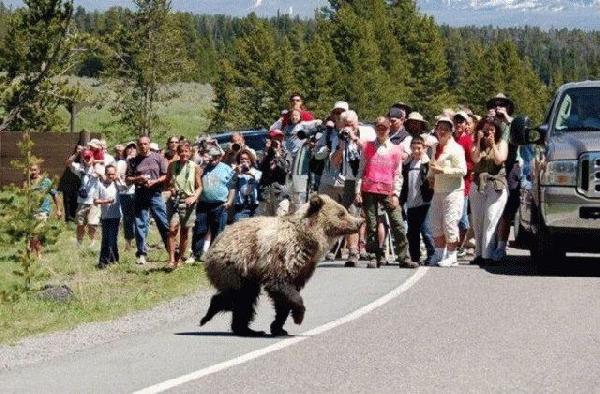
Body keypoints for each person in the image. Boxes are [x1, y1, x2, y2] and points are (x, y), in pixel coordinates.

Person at [355, 116, 416, 269]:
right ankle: (375, 256)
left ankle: (404, 257)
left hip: (388, 190)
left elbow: (398, 174)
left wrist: (396, 193)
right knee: (372, 224)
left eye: (384, 128)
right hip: (369, 189)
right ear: (375, 129)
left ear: (389, 130)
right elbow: (361, 170)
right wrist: (358, 190)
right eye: (378, 128)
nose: (381, 131)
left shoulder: (396, 150)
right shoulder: (368, 147)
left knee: (398, 223)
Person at [428, 116, 467, 267]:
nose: (442, 131)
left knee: (450, 222)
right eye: (440, 128)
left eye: (445, 129)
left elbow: (462, 170)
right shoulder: (435, 147)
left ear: (451, 132)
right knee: (436, 222)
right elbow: (432, 168)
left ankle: (452, 256)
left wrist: (443, 170)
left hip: (453, 191)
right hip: (437, 190)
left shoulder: (456, 149)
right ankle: (439, 254)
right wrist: (430, 177)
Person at [469, 118, 509, 265]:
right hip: (478, 185)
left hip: (496, 185)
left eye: (492, 130)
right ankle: (478, 254)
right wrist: (479, 142)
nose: (489, 133)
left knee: (491, 219)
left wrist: (493, 146)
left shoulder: (501, 143)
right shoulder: (476, 144)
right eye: (486, 130)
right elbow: (475, 158)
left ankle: (488, 254)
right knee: (478, 221)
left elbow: (500, 160)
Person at [126, 136, 170, 265]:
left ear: (149, 144)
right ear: (138, 146)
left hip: (155, 193)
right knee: (140, 223)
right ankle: (141, 253)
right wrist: (138, 178)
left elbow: (166, 175)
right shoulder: (133, 161)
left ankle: (172, 251)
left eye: (145, 144)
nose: (143, 146)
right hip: (140, 193)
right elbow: (127, 179)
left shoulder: (158, 158)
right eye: (140, 144)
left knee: (163, 222)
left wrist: (155, 181)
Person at [191, 145, 235, 261]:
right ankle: (196, 253)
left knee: (218, 230)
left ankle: (213, 255)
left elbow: (232, 187)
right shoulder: (203, 168)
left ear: (220, 157)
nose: (213, 159)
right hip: (203, 203)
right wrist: (203, 165)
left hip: (220, 204)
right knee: (200, 229)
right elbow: (196, 179)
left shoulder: (227, 168)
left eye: (216, 157)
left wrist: (229, 201)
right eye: (211, 157)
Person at [486, 93, 515, 261]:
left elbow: (519, 134)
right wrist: (488, 121)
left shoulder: (512, 122)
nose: (498, 107)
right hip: (490, 167)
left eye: (502, 104)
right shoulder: (488, 122)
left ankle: (501, 246)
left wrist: (505, 118)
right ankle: (487, 245)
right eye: (495, 104)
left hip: (509, 167)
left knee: (506, 210)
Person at [164, 141, 202, 269]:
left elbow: (199, 187)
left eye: (186, 151)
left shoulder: (194, 167)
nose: (183, 154)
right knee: (172, 229)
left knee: (185, 231)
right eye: (181, 151)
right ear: (178, 152)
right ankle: (171, 259)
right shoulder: (172, 165)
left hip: (188, 201)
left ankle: (180, 258)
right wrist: (171, 188)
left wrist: (194, 197)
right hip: (175, 200)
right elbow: (167, 182)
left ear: (190, 153)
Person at [400, 137, 435, 266]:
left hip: (425, 202)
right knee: (412, 232)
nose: (416, 151)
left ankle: (432, 254)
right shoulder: (407, 165)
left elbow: (431, 181)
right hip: (411, 203)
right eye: (414, 148)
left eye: (419, 148)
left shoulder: (427, 164)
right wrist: (401, 201)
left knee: (426, 230)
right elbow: (404, 185)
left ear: (423, 148)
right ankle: (415, 257)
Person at [66, 148, 102, 247]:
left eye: (89, 157)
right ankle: (79, 242)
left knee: (92, 223)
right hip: (82, 200)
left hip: (94, 200)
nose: (87, 159)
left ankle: (93, 242)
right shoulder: (80, 168)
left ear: (92, 157)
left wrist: (97, 170)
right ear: (82, 158)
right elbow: (68, 163)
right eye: (85, 157)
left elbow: (104, 173)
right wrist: (77, 153)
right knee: (80, 223)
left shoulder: (97, 167)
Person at [453, 111, 475, 258]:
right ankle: (454, 245)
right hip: (450, 182)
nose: (459, 124)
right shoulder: (451, 139)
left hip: (464, 182)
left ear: (466, 124)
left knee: (461, 217)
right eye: (457, 121)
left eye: (462, 122)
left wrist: (460, 167)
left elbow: (472, 162)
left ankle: (460, 244)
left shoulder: (467, 140)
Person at [29, 163, 62, 259]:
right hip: (30, 211)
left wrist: (58, 210)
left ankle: (39, 254)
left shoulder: (46, 181)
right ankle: (32, 251)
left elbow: (55, 195)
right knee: (31, 234)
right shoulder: (28, 181)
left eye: (35, 170)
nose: (33, 172)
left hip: (42, 211)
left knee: (36, 233)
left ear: (39, 170)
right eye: (31, 170)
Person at [94, 164, 122, 269]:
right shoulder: (99, 185)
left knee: (112, 238)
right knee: (106, 239)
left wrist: (118, 179)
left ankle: (111, 260)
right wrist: (106, 201)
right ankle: (106, 261)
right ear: (105, 174)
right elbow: (95, 200)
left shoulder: (117, 185)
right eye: (109, 174)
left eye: (113, 174)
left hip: (115, 216)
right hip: (105, 216)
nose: (111, 176)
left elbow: (126, 188)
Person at [258, 129, 290, 217]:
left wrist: (278, 156)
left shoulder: (286, 154)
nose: (277, 142)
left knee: (280, 224)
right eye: (275, 139)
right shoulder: (263, 153)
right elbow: (259, 169)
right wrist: (266, 153)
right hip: (265, 195)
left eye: (280, 139)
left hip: (280, 195)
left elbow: (285, 170)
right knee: (264, 225)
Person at [116, 142, 137, 250]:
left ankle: (140, 243)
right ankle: (128, 244)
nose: (132, 149)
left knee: (140, 218)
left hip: (138, 192)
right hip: (126, 193)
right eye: (129, 147)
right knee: (128, 219)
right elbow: (118, 178)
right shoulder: (121, 163)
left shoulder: (140, 162)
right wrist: (124, 185)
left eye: (134, 147)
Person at [232, 149, 262, 221]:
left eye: (246, 159)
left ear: (251, 160)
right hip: (241, 208)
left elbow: (258, 179)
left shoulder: (257, 172)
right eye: (242, 159)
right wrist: (236, 173)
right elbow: (230, 183)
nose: (244, 161)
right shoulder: (235, 171)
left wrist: (248, 171)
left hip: (255, 207)